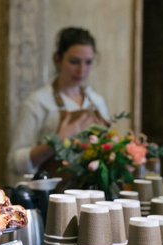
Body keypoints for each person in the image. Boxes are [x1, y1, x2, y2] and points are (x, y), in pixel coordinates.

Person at [8, 27, 110, 185]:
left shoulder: (97, 102)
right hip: (50, 196)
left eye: (88, 62)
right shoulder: (38, 102)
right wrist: (56, 141)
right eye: (74, 61)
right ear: (57, 59)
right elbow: (14, 162)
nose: (82, 70)